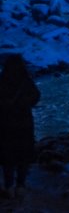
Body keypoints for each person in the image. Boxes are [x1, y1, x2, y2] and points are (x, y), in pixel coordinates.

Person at [0, 54, 40, 199]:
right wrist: (25, 104)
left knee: (7, 157)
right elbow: (36, 96)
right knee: (23, 155)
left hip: (5, 124)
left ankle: (8, 186)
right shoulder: (25, 81)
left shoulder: (2, 81)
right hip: (24, 124)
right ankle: (20, 185)